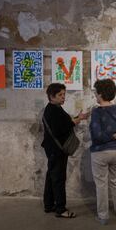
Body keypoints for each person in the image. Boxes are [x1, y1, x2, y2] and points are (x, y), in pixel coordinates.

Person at [41, 83, 88, 218]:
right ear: (51, 96)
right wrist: (75, 121)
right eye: (60, 95)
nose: (63, 97)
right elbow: (59, 129)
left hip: (53, 149)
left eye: (64, 94)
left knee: (51, 176)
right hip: (57, 150)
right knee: (58, 178)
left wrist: (77, 119)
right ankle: (61, 209)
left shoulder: (54, 108)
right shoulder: (53, 110)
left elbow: (63, 123)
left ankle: (49, 205)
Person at [90, 79, 116, 225]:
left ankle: (103, 216)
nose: (95, 96)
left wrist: (110, 136)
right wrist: (114, 136)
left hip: (100, 152)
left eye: (96, 93)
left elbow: (97, 136)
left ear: (101, 94)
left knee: (101, 185)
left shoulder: (96, 112)